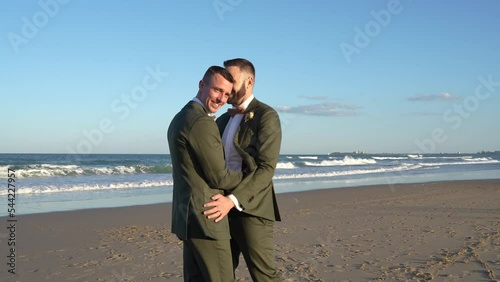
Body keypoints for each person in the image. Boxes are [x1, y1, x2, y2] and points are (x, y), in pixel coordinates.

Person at [168, 65, 255, 282]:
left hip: (187, 217)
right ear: (202, 85)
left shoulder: (182, 116)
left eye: (227, 94)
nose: (221, 99)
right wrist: (247, 174)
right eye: (217, 90)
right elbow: (219, 177)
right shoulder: (201, 122)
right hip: (208, 216)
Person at [203, 58, 282, 281]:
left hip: (252, 209)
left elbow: (266, 168)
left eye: (232, 80)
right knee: (221, 273)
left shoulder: (266, 116)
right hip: (221, 207)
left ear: (249, 81)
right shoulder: (222, 121)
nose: (227, 87)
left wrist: (233, 200)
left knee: (263, 275)